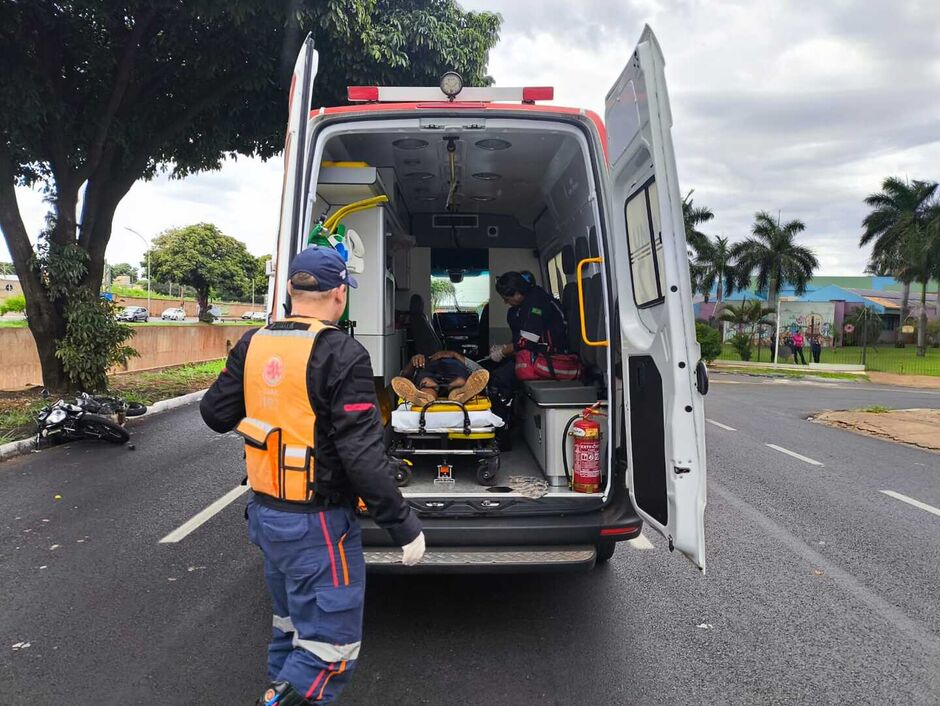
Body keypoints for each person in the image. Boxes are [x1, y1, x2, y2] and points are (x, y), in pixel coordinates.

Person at [200, 245, 425, 706]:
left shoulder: (253, 342)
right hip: (317, 526)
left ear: (290, 290)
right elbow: (362, 456)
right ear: (340, 294)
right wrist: (403, 525)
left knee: (291, 627)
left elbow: (215, 414)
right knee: (330, 649)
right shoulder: (342, 352)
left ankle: (276, 687)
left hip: (266, 515)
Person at [391, 350, 489, 407]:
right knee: (427, 382)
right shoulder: (424, 360)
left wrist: (454, 355)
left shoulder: (457, 359)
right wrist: (413, 362)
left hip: (452, 373)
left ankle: (426, 396)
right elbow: (403, 376)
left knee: (427, 383)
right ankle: (457, 393)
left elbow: (481, 372)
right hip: (438, 375)